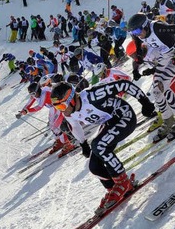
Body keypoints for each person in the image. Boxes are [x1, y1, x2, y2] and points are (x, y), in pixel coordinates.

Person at [50, 79, 156, 214]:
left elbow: (124, 84)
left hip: (124, 116)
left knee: (99, 145)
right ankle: (115, 188)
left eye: (61, 107)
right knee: (94, 166)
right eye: (57, 108)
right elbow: (75, 127)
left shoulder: (91, 95)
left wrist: (145, 102)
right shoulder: (70, 111)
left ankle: (122, 182)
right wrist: (83, 144)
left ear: (70, 98)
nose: (62, 112)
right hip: (109, 123)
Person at [127, 13, 175, 141]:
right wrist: (139, 55)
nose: (136, 34)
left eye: (137, 30)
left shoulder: (158, 27)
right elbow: (136, 40)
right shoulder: (139, 35)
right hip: (164, 57)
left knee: (164, 86)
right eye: (133, 32)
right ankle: (168, 119)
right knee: (157, 90)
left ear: (145, 25)